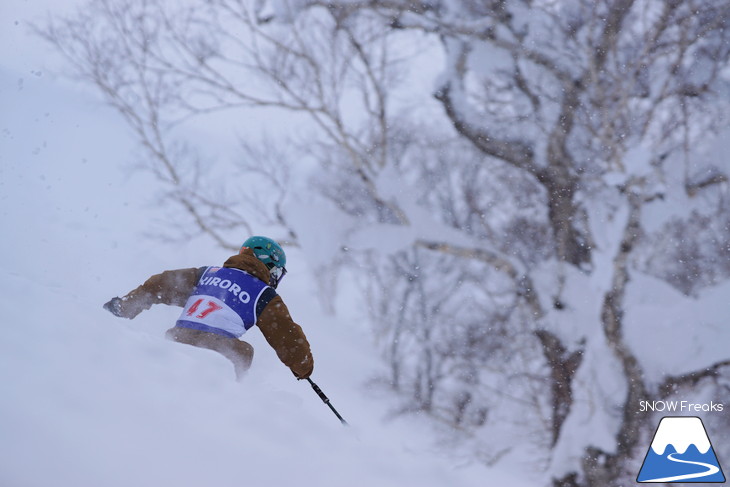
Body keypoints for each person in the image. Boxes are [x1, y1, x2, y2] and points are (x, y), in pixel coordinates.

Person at [103, 236, 313, 381]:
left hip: (176, 339)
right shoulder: (265, 295)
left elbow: (160, 283)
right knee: (245, 352)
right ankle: (236, 399)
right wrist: (303, 368)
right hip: (220, 351)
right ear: (267, 264)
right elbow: (288, 337)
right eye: (276, 272)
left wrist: (125, 306)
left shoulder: (207, 274)